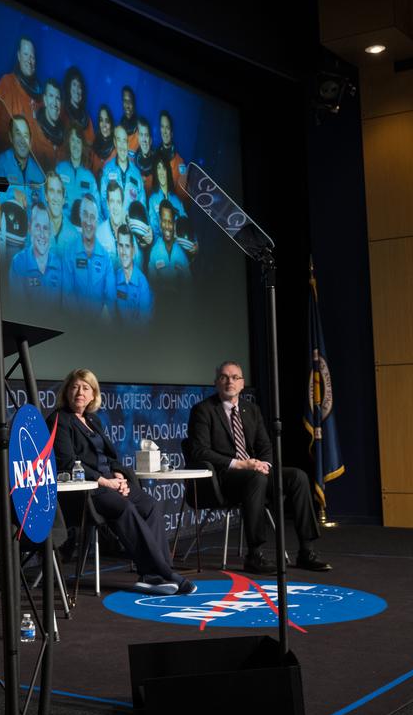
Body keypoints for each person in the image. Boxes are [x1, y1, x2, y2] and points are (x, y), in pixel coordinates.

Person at [53, 368, 194, 595]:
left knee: (149, 505)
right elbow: (68, 462)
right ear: (67, 392)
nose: (80, 392)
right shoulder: (60, 420)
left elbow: (110, 457)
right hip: (84, 490)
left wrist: (119, 475)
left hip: (108, 484)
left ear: (93, 395)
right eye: (75, 387)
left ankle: (152, 575)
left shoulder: (93, 420)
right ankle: (166, 573)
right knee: (123, 506)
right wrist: (105, 482)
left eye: (86, 387)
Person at [184, 361, 333, 574]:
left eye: (235, 377)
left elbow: (265, 446)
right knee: (256, 479)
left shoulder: (251, 410)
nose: (230, 382)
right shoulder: (203, 411)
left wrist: (265, 465)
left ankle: (306, 551)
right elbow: (199, 451)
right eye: (224, 377)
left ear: (242, 384)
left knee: (297, 476)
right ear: (216, 383)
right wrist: (240, 464)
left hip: (255, 474)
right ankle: (255, 555)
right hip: (223, 478)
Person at [61, 193, 114, 317]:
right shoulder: (69, 253)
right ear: (80, 215)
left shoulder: (106, 258)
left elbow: (110, 298)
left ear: (97, 220)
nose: (89, 222)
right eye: (85, 215)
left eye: (92, 217)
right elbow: (67, 295)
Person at [8, 201, 63, 310]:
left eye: (46, 228)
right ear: (30, 229)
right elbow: (18, 309)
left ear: (50, 231)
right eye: (37, 226)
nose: (42, 234)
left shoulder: (59, 264)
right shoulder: (18, 263)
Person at [0, 36, 41, 154]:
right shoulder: (7, 84)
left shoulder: (41, 98)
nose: (29, 61)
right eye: (25, 54)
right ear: (18, 56)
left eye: (32, 57)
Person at [0, 115, 45, 208]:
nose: (23, 141)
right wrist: (12, 193)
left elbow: (43, 205)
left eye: (26, 135)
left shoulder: (38, 173)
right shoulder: (0, 164)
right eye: (18, 134)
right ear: (11, 137)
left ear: (30, 141)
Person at [98, 124, 145, 222]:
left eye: (124, 141)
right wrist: (113, 222)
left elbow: (142, 205)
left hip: (131, 229)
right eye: (119, 140)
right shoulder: (107, 170)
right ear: (115, 142)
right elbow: (102, 200)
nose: (122, 146)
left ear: (128, 144)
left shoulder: (136, 174)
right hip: (112, 227)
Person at [146, 201, 192, 296]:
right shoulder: (154, 252)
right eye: (164, 221)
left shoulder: (182, 251)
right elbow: (151, 287)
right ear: (160, 222)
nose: (167, 226)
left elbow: (188, 286)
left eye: (170, 222)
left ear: (174, 223)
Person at [111, 224, 153, 325]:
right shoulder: (114, 278)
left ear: (133, 250)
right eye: (121, 246)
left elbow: (144, 325)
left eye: (127, 246)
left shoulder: (142, 285)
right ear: (117, 248)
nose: (124, 252)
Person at [56, 124, 99, 215]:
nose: (75, 145)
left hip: (81, 226)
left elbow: (96, 209)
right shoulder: (59, 170)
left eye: (78, 141)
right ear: (69, 143)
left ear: (82, 145)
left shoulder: (89, 177)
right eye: (73, 140)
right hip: (62, 224)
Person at [30, 78, 67, 169]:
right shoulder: (32, 132)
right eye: (51, 96)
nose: (54, 103)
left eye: (57, 98)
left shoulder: (65, 137)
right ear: (45, 100)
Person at [43, 171, 80, 253]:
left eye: (59, 192)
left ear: (63, 199)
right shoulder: (35, 229)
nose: (55, 198)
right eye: (51, 191)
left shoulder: (74, 235)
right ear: (46, 196)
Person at [156, 110, 188, 196]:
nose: (165, 131)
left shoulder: (180, 163)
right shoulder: (154, 156)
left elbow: (182, 198)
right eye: (162, 127)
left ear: (172, 133)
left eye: (167, 127)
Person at [61, 66, 94, 144]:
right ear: (69, 88)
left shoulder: (87, 120)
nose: (77, 90)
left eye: (79, 86)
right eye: (74, 85)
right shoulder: (61, 111)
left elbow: (91, 142)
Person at [95, 179, 128, 256]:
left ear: (122, 205)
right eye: (112, 201)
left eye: (118, 202)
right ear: (107, 204)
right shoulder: (99, 234)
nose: (115, 207)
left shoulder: (130, 232)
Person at [88, 104, 117, 179]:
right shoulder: (94, 145)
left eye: (107, 121)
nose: (104, 125)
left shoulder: (116, 148)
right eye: (101, 120)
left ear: (111, 123)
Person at [133, 117, 157, 195]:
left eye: (146, 135)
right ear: (138, 137)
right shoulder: (133, 161)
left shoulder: (157, 162)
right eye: (141, 135)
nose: (144, 140)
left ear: (150, 139)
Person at [117, 85, 140, 152]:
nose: (127, 105)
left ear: (134, 103)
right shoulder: (119, 128)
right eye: (125, 100)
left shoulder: (140, 129)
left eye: (130, 101)